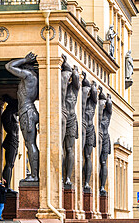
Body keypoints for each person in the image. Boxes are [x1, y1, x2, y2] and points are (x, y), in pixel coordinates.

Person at [5, 52, 39, 181]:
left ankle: (35, 176)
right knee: (31, 144)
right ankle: (35, 175)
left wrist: (24, 59)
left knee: (30, 144)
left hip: (27, 112)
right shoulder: (33, 77)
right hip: (29, 110)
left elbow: (9, 66)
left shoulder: (28, 75)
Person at [61, 56, 80, 185]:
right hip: (62, 116)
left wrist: (70, 66)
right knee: (60, 147)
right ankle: (61, 176)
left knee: (69, 148)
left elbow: (77, 78)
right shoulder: (60, 85)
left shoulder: (74, 89)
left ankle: (68, 177)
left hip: (71, 119)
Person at [82, 74, 98, 190]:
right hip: (82, 126)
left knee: (87, 156)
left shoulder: (93, 103)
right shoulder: (81, 98)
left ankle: (86, 182)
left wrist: (91, 85)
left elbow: (94, 93)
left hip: (90, 129)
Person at [1, 94, 19, 191]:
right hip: (11, 140)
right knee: (9, 164)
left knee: (11, 164)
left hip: (15, 141)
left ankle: (8, 185)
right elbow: (8, 126)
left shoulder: (13, 115)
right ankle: (6, 186)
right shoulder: (7, 114)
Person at [100, 93, 112, 195]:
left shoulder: (107, 115)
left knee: (103, 162)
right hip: (98, 135)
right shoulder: (98, 111)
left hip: (105, 138)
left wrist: (106, 97)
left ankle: (102, 186)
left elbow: (110, 105)